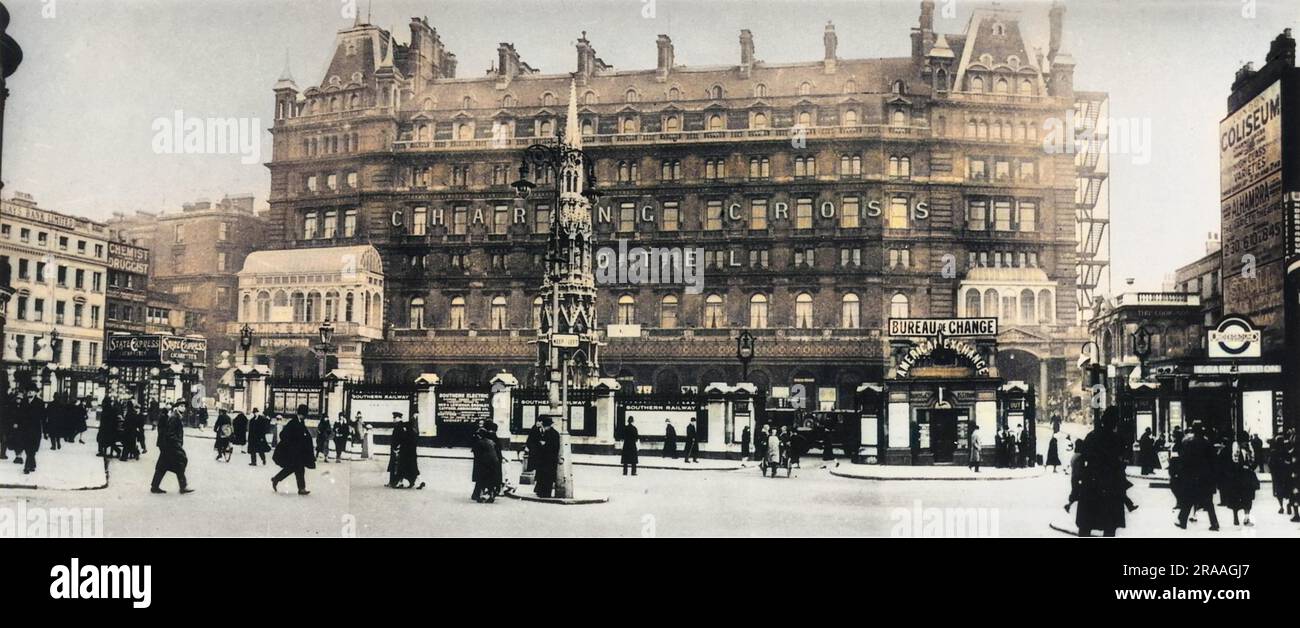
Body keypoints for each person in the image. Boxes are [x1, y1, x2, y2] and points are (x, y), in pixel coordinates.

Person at [1075, 409, 1130, 537]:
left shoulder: (1092, 436)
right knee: (1110, 526)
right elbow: (1121, 463)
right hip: (1111, 488)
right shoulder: (1117, 440)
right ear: (1114, 423)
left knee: (1086, 525)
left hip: (1091, 486)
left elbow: (1082, 459)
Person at [1175, 423, 1220, 531]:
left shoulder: (1188, 442)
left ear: (1193, 430)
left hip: (1192, 476)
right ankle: (1214, 524)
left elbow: (1184, 460)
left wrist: (1182, 473)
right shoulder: (1207, 442)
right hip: (1205, 476)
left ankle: (1182, 521)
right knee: (1208, 502)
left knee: (1189, 499)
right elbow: (1213, 460)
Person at [150, 401, 193, 494]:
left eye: (184, 406)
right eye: (181, 406)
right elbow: (170, 434)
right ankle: (183, 487)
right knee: (179, 464)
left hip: (169, 447)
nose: (183, 408)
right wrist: (178, 445)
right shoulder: (174, 417)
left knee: (163, 466)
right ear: (176, 407)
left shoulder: (176, 416)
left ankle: (155, 486)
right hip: (171, 447)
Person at [271, 405, 315, 495]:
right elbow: (283, 435)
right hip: (292, 452)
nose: (305, 417)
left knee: (297, 469)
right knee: (293, 469)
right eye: (304, 415)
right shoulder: (292, 423)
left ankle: (300, 488)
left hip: (298, 452)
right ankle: (277, 479)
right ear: (300, 414)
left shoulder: (301, 422)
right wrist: (291, 444)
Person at [1221, 431, 1258, 527]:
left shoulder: (1249, 450)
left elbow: (1255, 461)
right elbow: (1228, 464)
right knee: (1235, 499)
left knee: (1248, 498)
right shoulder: (1232, 449)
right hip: (1237, 478)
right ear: (1241, 441)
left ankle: (1246, 518)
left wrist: (1250, 467)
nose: (1246, 444)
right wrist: (1240, 468)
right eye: (1245, 442)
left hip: (1248, 478)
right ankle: (1235, 517)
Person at [387, 413, 423, 489]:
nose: (393, 419)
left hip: (403, 451)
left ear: (398, 418)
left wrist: (397, 448)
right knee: (405, 468)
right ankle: (404, 482)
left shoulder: (399, 426)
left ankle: (403, 483)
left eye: (394, 418)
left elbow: (399, 439)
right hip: (409, 451)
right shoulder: (407, 427)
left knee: (405, 467)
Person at [15, 388, 45, 474]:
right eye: (28, 391)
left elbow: (43, 417)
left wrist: (45, 431)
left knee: (32, 448)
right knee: (28, 448)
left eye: (32, 391)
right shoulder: (24, 402)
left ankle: (27, 466)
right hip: (24, 429)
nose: (30, 392)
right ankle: (32, 464)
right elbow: (19, 414)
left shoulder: (40, 403)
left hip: (35, 429)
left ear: (35, 392)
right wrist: (16, 423)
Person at [533, 416, 560, 498]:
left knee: (548, 477)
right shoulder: (546, 432)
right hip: (544, 459)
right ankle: (541, 492)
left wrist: (544, 445)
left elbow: (554, 447)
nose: (545, 427)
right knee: (542, 476)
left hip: (549, 459)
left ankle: (546, 493)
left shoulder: (554, 433)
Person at [470, 427, 500, 502]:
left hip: (485, 464)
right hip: (494, 463)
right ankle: (491, 495)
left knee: (481, 479)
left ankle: (479, 496)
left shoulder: (479, 443)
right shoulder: (491, 442)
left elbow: (476, 454)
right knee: (491, 480)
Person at [1269, 434, 1292, 515]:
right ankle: (1289, 504)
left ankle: (1281, 506)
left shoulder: (1273, 452)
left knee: (1279, 492)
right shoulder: (1286, 451)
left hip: (1277, 475)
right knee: (1288, 491)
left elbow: (1270, 464)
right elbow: (1290, 462)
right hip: (1286, 475)